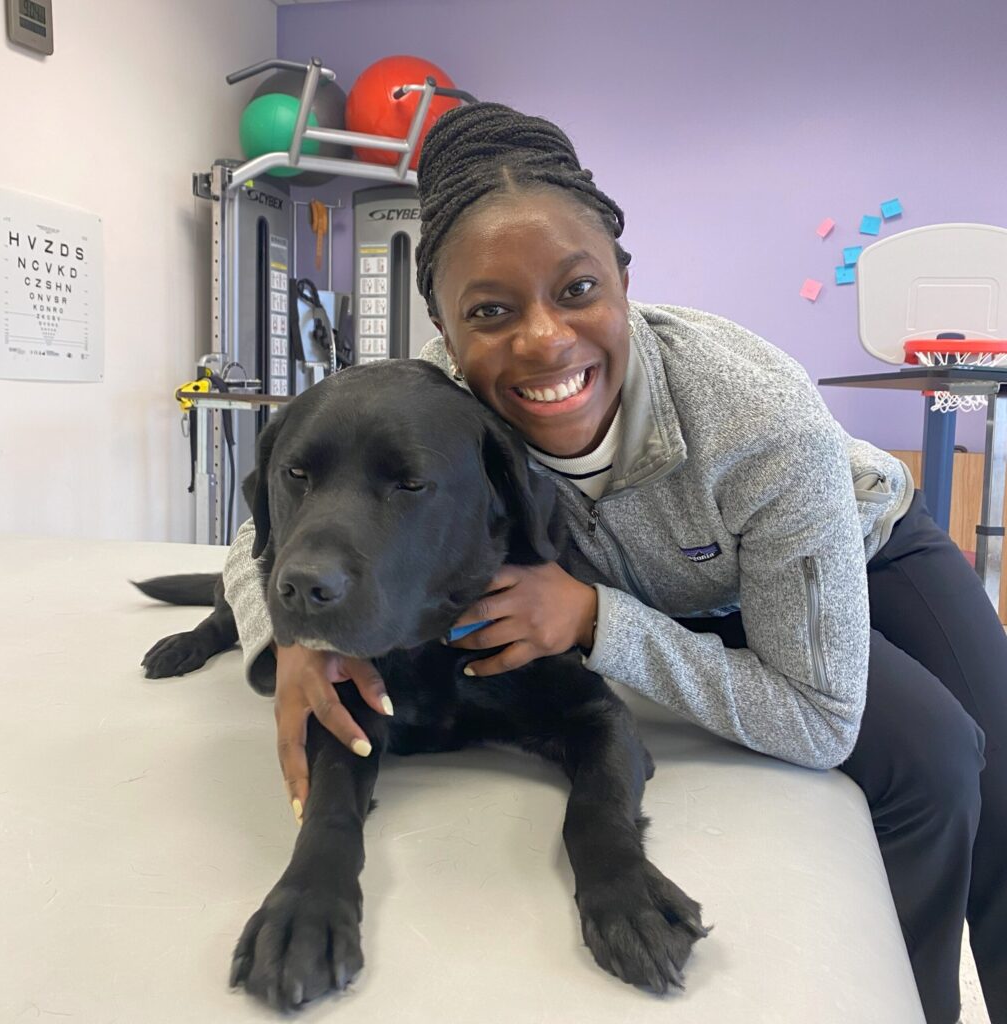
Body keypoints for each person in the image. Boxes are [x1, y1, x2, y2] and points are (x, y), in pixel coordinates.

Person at [222, 102, 1005, 1024]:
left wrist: (596, 619)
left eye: (578, 289)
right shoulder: (437, 403)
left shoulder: (760, 417)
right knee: (936, 753)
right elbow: (265, 527)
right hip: (675, 592)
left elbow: (818, 717)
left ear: (625, 283)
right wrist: (295, 637)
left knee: (974, 765)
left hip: (852, 545)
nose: (543, 338)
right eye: (489, 310)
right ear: (442, 323)